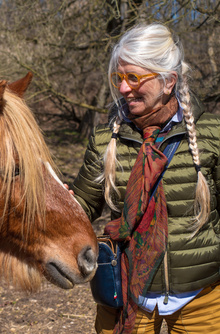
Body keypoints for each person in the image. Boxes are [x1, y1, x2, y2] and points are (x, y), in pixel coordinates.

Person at [71, 23, 220, 333]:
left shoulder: (212, 136)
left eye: (134, 77)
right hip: (125, 300)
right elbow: (81, 207)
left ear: (168, 82)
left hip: (203, 299)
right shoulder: (104, 141)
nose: (124, 89)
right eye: (119, 78)